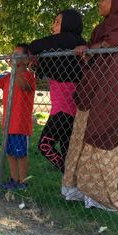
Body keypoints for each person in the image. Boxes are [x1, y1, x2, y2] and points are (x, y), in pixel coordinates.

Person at [62, 0, 118, 212]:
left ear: (117, 2)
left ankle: (102, 197)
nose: (100, 2)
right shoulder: (103, 25)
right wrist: (87, 49)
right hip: (93, 88)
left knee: (101, 136)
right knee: (80, 136)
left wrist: (93, 48)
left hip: (110, 91)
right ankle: (78, 189)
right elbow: (97, 49)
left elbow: (112, 44)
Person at [28, 9, 86, 172]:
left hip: (64, 110)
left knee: (45, 145)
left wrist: (34, 54)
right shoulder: (65, 44)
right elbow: (43, 64)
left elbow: (34, 46)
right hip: (64, 109)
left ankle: (67, 172)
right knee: (67, 149)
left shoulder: (69, 39)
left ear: (69, 23)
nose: (53, 26)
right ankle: (71, 184)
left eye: (57, 22)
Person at [0, 44, 36, 190]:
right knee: (10, 153)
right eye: (13, 53)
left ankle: (23, 181)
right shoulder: (8, 77)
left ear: (27, 59)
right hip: (8, 124)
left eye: (17, 54)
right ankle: (14, 179)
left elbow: (23, 86)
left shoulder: (28, 76)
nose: (13, 55)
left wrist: (14, 69)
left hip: (21, 125)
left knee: (21, 154)